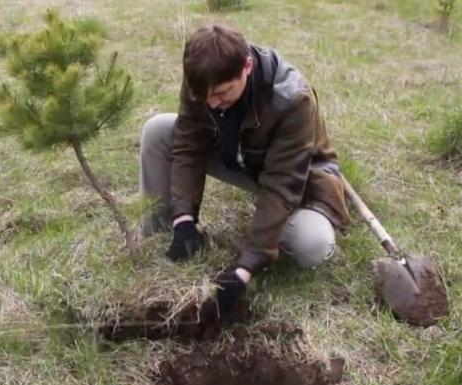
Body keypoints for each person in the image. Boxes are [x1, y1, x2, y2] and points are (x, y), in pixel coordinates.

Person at [139, 24, 350, 320]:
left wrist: (245, 267)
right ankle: (163, 228)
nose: (212, 103)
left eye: (223, 93)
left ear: (247, 66)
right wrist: (184, 218)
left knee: (311, 245)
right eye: (205, 97)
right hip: (241, 159)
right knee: (159, 129)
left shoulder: (292, 99)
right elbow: (188, 145)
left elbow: (280, 185)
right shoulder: (203, 81)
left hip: (299, 177)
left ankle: (299, 220)